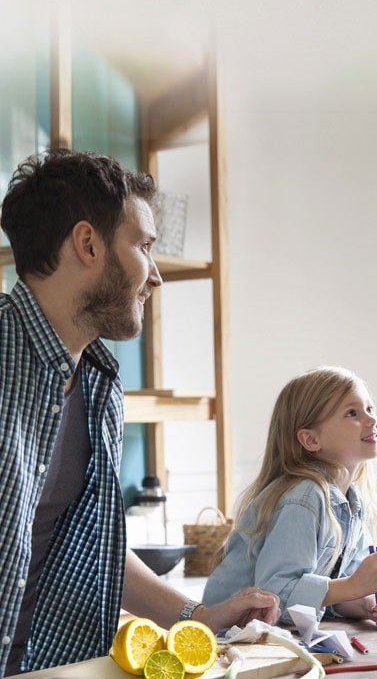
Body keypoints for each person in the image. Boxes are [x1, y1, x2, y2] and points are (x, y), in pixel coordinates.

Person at [0, 149, 280, 677]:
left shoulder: (99, 383)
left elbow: (95, 543)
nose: (155, 276)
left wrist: (200, 617)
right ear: (88, 244)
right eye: (144, 246)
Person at [203, 366, 377, 629]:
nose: (371, 420)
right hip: (228, 637)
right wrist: (352, 586)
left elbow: (334, 592)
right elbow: (275, 595)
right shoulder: (304, 498)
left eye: (370, 409)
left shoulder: (351, 503)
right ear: (310, 439)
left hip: (268, 635)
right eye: (352, 413)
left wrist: (367, 603)